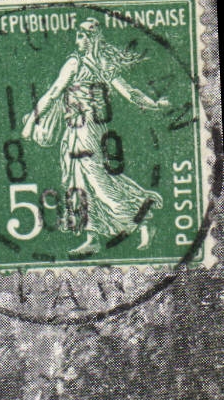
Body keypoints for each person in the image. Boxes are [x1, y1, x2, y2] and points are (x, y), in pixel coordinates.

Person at [21, 16, 171, 256]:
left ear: (91, 39)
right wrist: (154, 103)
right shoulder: (98, 65)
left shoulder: (78, 64)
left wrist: (30, 122)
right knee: (78, 183)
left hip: (87, 131)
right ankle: (93, 237)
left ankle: (144, 218)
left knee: (99, 183)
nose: (77, 39)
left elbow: (52, 94)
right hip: (76, 131)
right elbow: (130, 93)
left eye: (82, 35)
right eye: (78, 35)